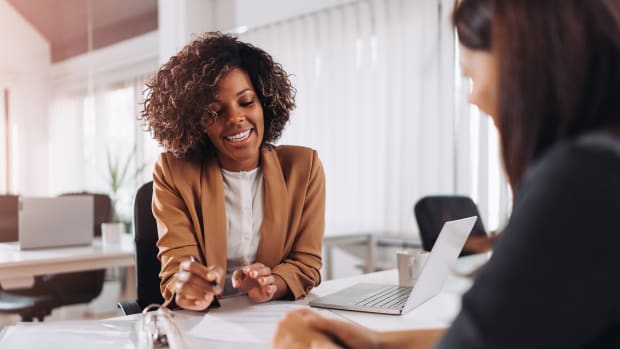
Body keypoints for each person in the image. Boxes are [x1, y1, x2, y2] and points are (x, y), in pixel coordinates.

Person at [273, 0, 620, 347]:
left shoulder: (579, 179)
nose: (474, 97)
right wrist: (378, 343)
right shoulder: (600, 165)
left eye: (471, 75)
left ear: (525, 62)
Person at [141, 32, 325, 310]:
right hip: (203, 325)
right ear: (195, 123)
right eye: (214, 112)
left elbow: (306, 264)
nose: (236, 119)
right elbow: (176, 268)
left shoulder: (303, 168)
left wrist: (272, 284)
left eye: (246, 102)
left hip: (271, 320)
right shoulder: (173, 171)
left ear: (265, 102)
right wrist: (188, 288)